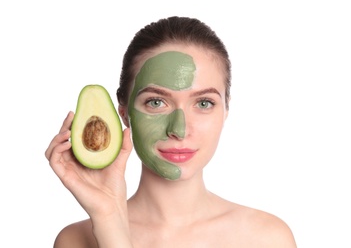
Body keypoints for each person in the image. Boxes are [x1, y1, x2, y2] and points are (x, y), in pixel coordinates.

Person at [45, 16, 297, 247]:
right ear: (124, 112)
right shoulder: (76, 240)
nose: (179, 129)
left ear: (226, 110)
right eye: (156, 102)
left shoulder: (267, 238)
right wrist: (109, 218)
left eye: (203, 103)